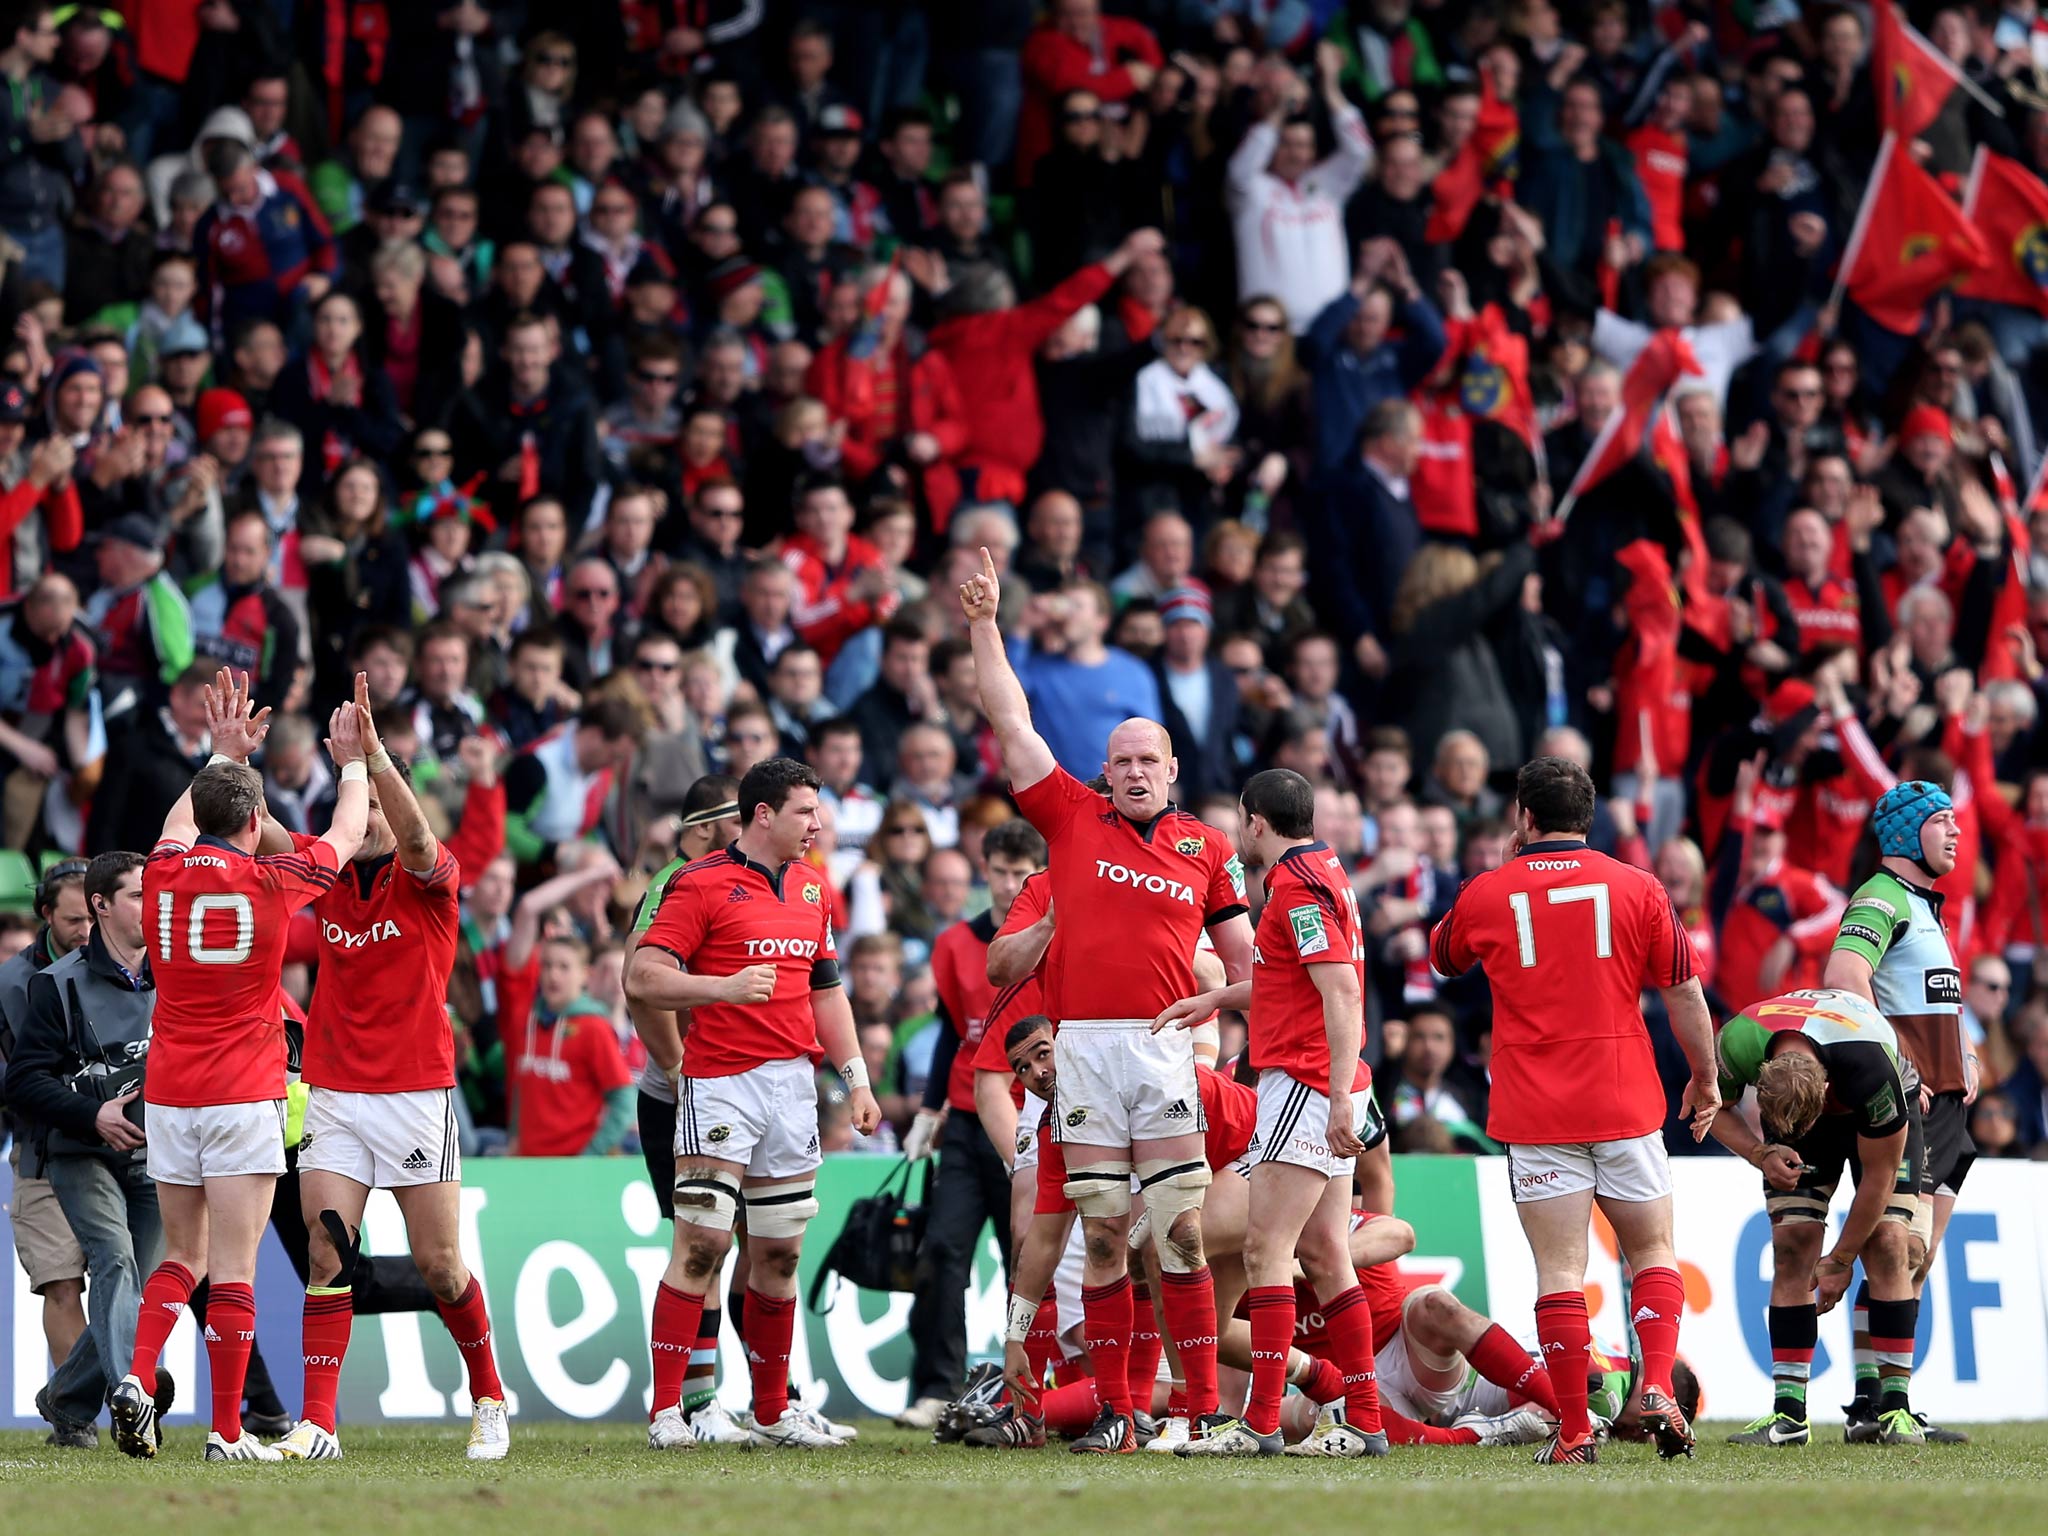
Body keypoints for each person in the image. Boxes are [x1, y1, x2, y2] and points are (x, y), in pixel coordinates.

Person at [960, 546, 1254, 1455]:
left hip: (1163, 1053)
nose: (1132, 772)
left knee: (1181, 1233)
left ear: (1170, 769)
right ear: (1106, 769)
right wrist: (983, 624)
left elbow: (1251, 963)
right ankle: (1123, 1410)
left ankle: (1200, 1412)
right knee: (1103, 1235)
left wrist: (1213, 1008)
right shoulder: (1067, 815)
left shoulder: (1208, 848)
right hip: (1083, 1047)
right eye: (1119, 760)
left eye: (1147, 761)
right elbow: (1010, 717)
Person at [242, 673, 509, 1463]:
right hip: (333, 1093)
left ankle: (489, 1396)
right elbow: (259, 831)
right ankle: (319, 1424)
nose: (379, 821)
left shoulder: (430, 884)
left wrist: (375, 757)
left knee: (439, 1266)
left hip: (416, 1094)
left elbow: (422, 840)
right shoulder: (325, 882)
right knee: (327, 1253)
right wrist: (231, 759)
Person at [1429, 755, 1717, 1465]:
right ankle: (1654, 1384)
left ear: (1524, 816)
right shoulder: (1640, 888)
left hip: (1536, 1112)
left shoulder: (1488, 892)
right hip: (1624, 1099)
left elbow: (1443, 957)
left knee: (1559, 1271)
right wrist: (1707, 1077)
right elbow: (1683, 991)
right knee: (1650, 1249)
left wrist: (1501, 871)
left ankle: (1575, 1432)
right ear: (1588, 818)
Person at [109, 680, 370, 1461]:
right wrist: (353, 762)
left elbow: (177, 820)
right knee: (234, 1267)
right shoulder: (273, 881)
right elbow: (349, 832)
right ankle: (227, 1431)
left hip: (172, 1092)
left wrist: (222, 754)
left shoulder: (159, 874)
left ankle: (136, 1373)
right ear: (256, 822)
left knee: (178, 1256)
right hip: (243, 1090)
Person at [626, 758, 882, 1450]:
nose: (818, 826)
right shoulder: (697, 883)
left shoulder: (812, 890)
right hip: (718, 1083)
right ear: (762, 814)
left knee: (778, 1257)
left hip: (794, 1090)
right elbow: (643, 976)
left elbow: (826, 991)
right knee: (704, 1243)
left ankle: (773, 1412)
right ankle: (667, 1414)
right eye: (805, 812)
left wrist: (856, 1079)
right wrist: (721, 988)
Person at [1155, 769, 1386, 1459]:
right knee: (1323, 1252)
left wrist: (1337, 1094)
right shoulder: (1325, 871)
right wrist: (1218, 1001)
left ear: (1256, 822)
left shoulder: (1295, 886)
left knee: (1265, 1249)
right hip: (1330, 1080)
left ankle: (1258, 1424)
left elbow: (1341, 993)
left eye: (1239, 823)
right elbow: (1297, 979)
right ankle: (1366, 1419)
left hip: (1309, 1083)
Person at [1707, 987, 1924, 1449]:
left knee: (1887, 1243)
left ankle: (1895, 1408)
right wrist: (1760, 1151)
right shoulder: (1736, 1043)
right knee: (1792, 1246)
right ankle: (1789, 1416)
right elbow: (1705, 1105)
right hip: (1804, 1098)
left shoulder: (1871, 1072)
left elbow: (1878, 1178)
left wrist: (1842, 1259)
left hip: (1881, 1098)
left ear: (1825, 1090)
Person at [1820, 781, 1968, 1447]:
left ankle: (1871, 1399)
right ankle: (1885, 1406)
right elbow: (1844, 975)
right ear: (1908, 834)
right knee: (1895, 1246)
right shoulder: (1880, 896)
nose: (1955, 833)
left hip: (1951, 1107)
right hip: (1911, 1100)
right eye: (1942, 821)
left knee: (1916, 1258)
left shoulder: (1925, 907)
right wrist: (1900, 1063)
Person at [898, 818, 1050, 1429]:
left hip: (1041, 1117)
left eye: (1023, 872)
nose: (1012, 884)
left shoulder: (1050, 940)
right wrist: (930, 1110)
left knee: (1028, 1260)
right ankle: (938, 1385)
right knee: (942, 1251)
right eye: (1001, 871)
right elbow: (950, 1035)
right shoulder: (955, 944)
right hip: (966, 1120)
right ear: (983, 870)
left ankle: (1031, 1387)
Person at [4, 853, 158, 1446]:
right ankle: (131, 1403)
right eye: (139, 896)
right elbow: (22, 1080)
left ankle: (66, 1397)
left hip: (153, 1155)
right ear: (102, 906)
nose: (153, 906)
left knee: (142, 1287)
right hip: (77, 1150)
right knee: (114, 1260)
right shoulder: (55, 983)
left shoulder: (175, 974)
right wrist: (92, 1113)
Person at [0, 855, 93, 1445]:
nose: (86, 931)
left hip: (125, 1153)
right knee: (61, 1281)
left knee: (129, 1282)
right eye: (74, 920)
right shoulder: (14, 983)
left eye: (94, 916)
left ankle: (96, 1394)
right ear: (45, 916)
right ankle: (75, 1417)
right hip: (40, 1153)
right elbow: (27, 1077)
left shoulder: (136, 964)